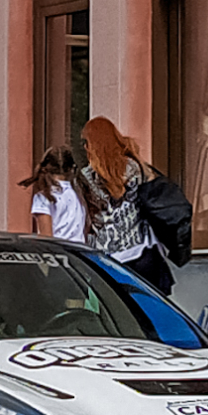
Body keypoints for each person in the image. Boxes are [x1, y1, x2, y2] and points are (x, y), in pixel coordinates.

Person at [74, 116, 173, 293]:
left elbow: (86, 222)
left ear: (94, 145)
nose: (84, 147)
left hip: (109, 261)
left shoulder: (86, 177)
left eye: (86, 142)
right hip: (143, 255)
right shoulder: (134, 167)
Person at [20, 148, 87, 244]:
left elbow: (46, 237)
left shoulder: (44, 197)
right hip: (78, 252)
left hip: (59, 252)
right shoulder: (78, 194)